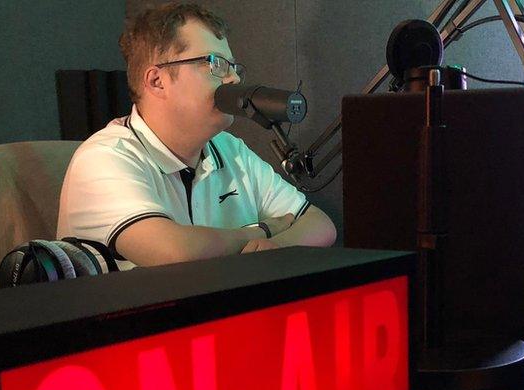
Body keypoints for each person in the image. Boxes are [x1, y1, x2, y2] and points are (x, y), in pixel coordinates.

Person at [57, 3, 335, 270]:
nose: (234, 80)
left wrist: (276, 246)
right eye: (215, 64)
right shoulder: (104, 158)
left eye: (233, 67)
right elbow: (174, 252)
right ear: (157, 81)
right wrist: (264, 230)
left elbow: (320, 224)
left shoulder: (230, 150)